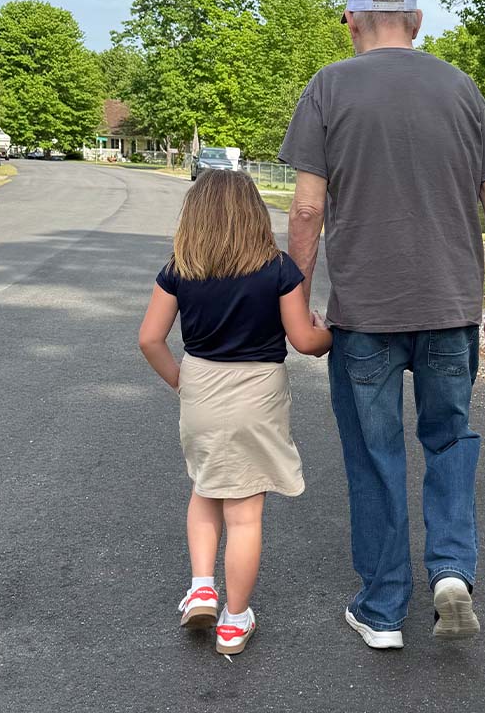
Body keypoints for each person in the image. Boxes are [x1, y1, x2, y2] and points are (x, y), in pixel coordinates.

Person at [280, 0, 485, 649]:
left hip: (365, 318)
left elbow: (305, 207)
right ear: (417, 20)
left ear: (351, 18)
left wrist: (297, 304)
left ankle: (384, 608)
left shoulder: (327, 87)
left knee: (374, 453)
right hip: (448, 309)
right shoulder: (460, 88)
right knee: (449, 439)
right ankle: (450, 569)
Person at [139, 169, 332, 655]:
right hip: (258, 392)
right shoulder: (279, 268)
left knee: (206, 486)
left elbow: (149, 338)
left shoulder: (179, 267)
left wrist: (183, 383)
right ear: (253, 215)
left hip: (201, 385)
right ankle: (234, 620)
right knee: (244, 512)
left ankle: (202, 587)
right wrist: (330, 331)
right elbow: (305, 341)